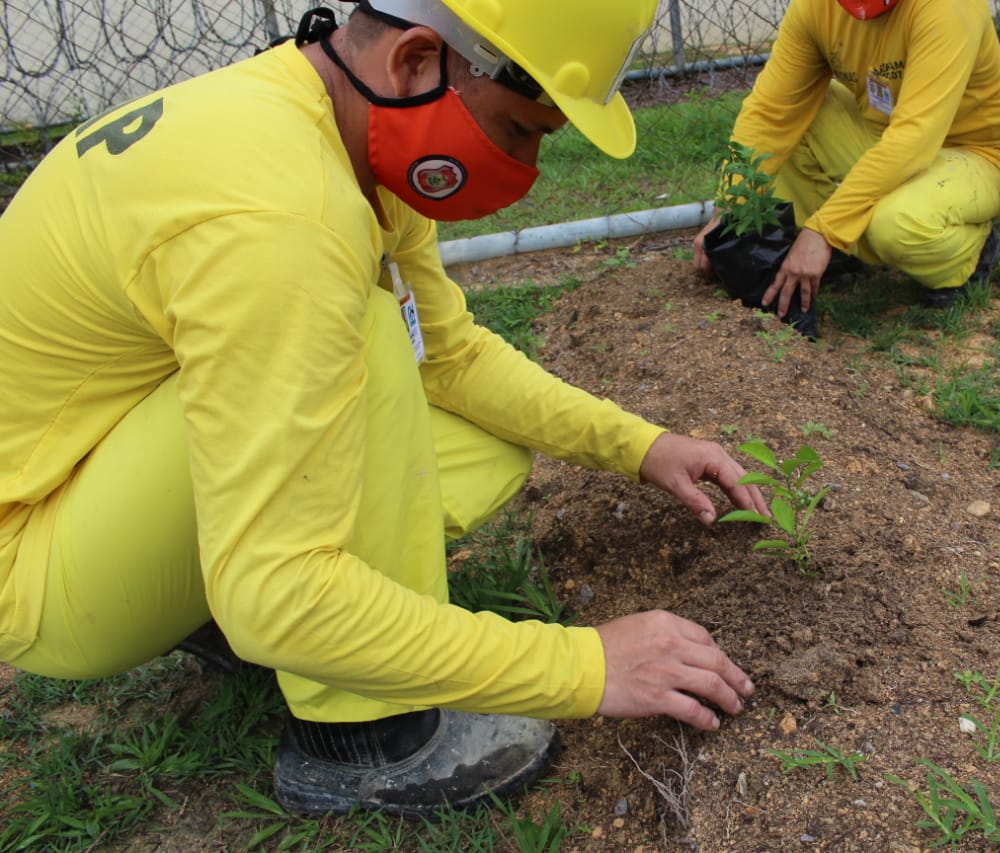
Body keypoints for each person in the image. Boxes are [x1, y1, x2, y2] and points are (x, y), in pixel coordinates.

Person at [0, 0, 767, 819]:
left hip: (100, 467)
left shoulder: (338, 126)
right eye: (518, 129)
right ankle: (361, 733)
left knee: (476, 447)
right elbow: (275, 589)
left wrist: (641, 444)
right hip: (35, 557)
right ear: (414, 61)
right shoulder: (282, 218)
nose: (526, 166)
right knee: (363, 333)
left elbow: (448, 354)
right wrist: (588, 665)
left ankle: (228, 607)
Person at [694, 0, 1000, 316]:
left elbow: (915, 139)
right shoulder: (815, 6)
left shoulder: (948, 6)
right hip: (889, 136)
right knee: (798, 116)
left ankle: (971, 253)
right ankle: (844, 249)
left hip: (981, 154)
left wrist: (826, 229)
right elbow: (769, 113)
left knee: (896, 223)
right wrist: (730, 206)